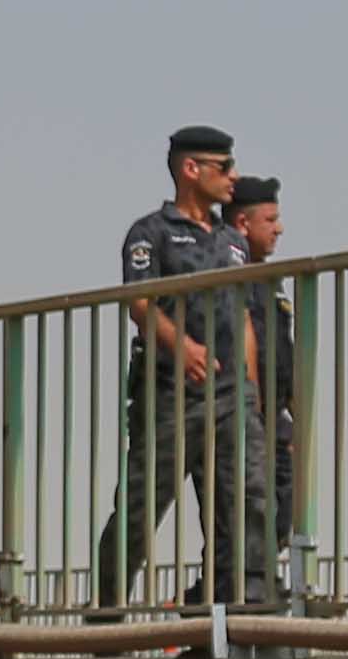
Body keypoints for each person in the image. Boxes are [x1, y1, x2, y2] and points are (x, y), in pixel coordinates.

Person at [92, 126, 250, 617]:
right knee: (139, 512)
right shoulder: (152, 233)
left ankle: (221, 618)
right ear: (191, 169)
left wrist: (255, 392)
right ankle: (106, 613)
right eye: (223, 167)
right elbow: (138, 303)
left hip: (231, 399)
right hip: (170, 395)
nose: (234, 177)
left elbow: (243, 316)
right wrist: (182, 347)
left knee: (240, 514)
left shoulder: (232, 241)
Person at [227, 177, 305, 605]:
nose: (279, 229)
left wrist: (295, 411)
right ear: (243, 222)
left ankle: (259, 581)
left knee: (285, 497)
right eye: (270, 220)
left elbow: (282, 349)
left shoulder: (270, 282)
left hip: (274, 413)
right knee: (248, 504)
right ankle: (242, 586)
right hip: (244, 409)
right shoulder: (231, 278)